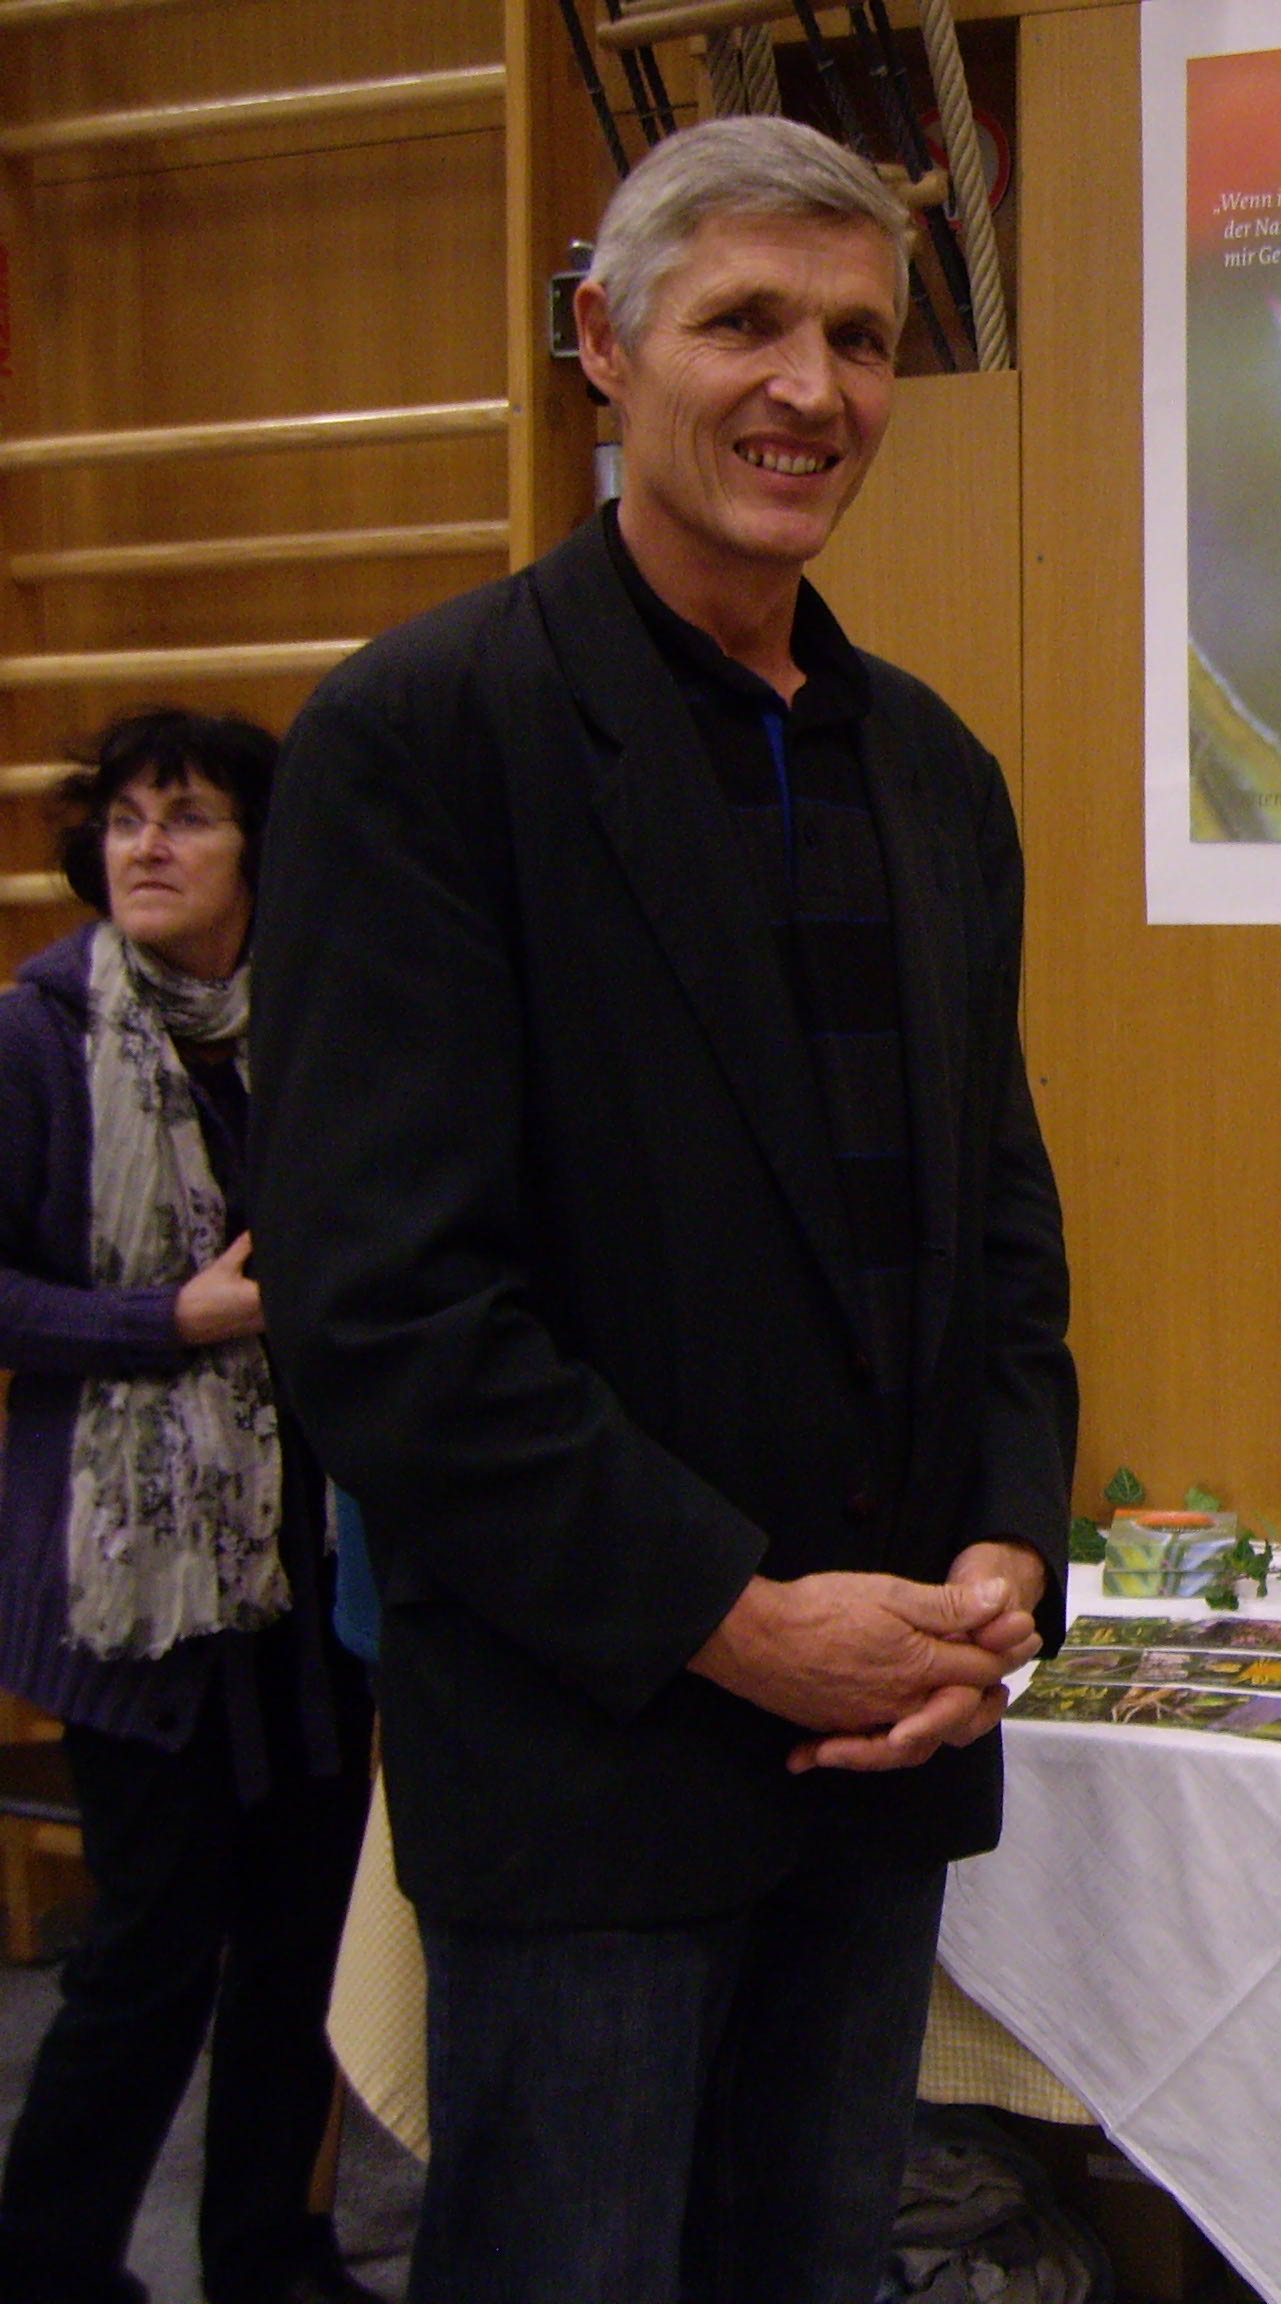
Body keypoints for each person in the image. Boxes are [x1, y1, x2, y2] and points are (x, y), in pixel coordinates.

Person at [249, 116, 1077, 2304]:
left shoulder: (935, 774)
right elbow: (384, 1314)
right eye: (747, 324)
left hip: (882, 1745)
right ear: (605, 343)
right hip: (592, 1755)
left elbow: (997, 1223)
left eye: (859, 339)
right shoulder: (424, 741)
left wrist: (1007, 1558)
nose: (812, 388)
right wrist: (735, 1614)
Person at [0, 707, 381, 2304]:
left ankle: (268, 2256)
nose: (147, 846)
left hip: (315, 1569)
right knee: (149, 1956)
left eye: (190, 816)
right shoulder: (38, 1036)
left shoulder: (314, 1027)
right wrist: (171, 1321)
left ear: (258, 853)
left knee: (299, 1946)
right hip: (135, 1585)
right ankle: (47, 2270)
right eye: (126, 819)